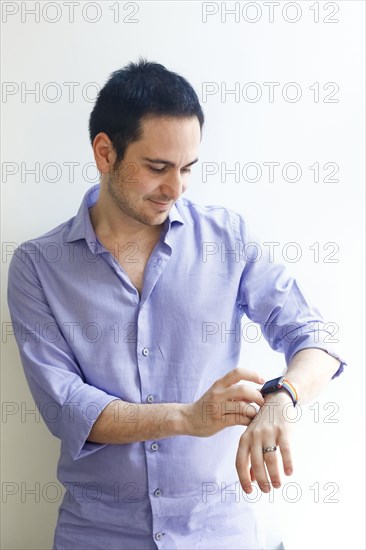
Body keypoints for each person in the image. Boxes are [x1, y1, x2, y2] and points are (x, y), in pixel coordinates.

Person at [8, 59, 345, 550]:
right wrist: (187, 417)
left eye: (187, 168)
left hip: (222, 535)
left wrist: (282, 398)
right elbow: (68, 410)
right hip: (100, 537)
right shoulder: (38, 266)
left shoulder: (227, 237)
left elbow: (316, 340)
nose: (177, 188)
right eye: (158, 168)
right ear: (105, 153)